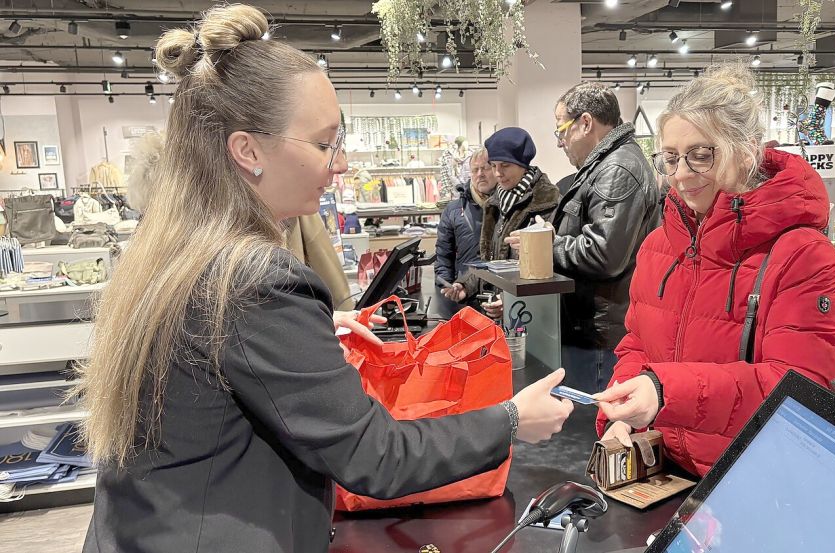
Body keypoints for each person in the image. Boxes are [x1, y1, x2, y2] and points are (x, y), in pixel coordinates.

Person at [75, 6, 573, 553]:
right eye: (324, 144)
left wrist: (311, 326)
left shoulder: (177, 251)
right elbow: (373, 455)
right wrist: (510, 420)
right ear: (248, 150)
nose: (341, 164)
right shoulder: (254, 281)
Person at [593, 64, 835, 477]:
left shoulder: (803, 257)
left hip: (752, 481)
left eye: (700, 155)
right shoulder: (660, 246)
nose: (680, 175)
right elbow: (639, 344)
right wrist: (623, 415)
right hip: (667, 472)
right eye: (671, 158)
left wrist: (664, 392)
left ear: (747, 149)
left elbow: (801, 389)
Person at [542, 82, 663, 393]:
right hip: (593, 325)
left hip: (602, 331)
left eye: (561, 130)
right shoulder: (606, 164)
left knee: (593, 424)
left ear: (585, 123)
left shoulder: (617, 168)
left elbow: (603, 254)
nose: (560, 142)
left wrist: (545, 247)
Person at [443, 128, 559, 319]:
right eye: (494, 165)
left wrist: (510, 300)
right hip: (499, 316)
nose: (498, 173)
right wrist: (466, 284)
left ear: (522, 164)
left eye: (505, 165)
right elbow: (489, 261)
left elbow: (548, 271)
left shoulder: (546, 203)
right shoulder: (495, 203)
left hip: (533, 318)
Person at [433, 148, 495, 316]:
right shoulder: (454, 210)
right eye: (475, 169)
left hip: (499, 298)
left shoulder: (507, 206)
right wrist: (447, 285)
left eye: (486, 168)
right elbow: (443, 255)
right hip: (464, 298)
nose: (480, 174)